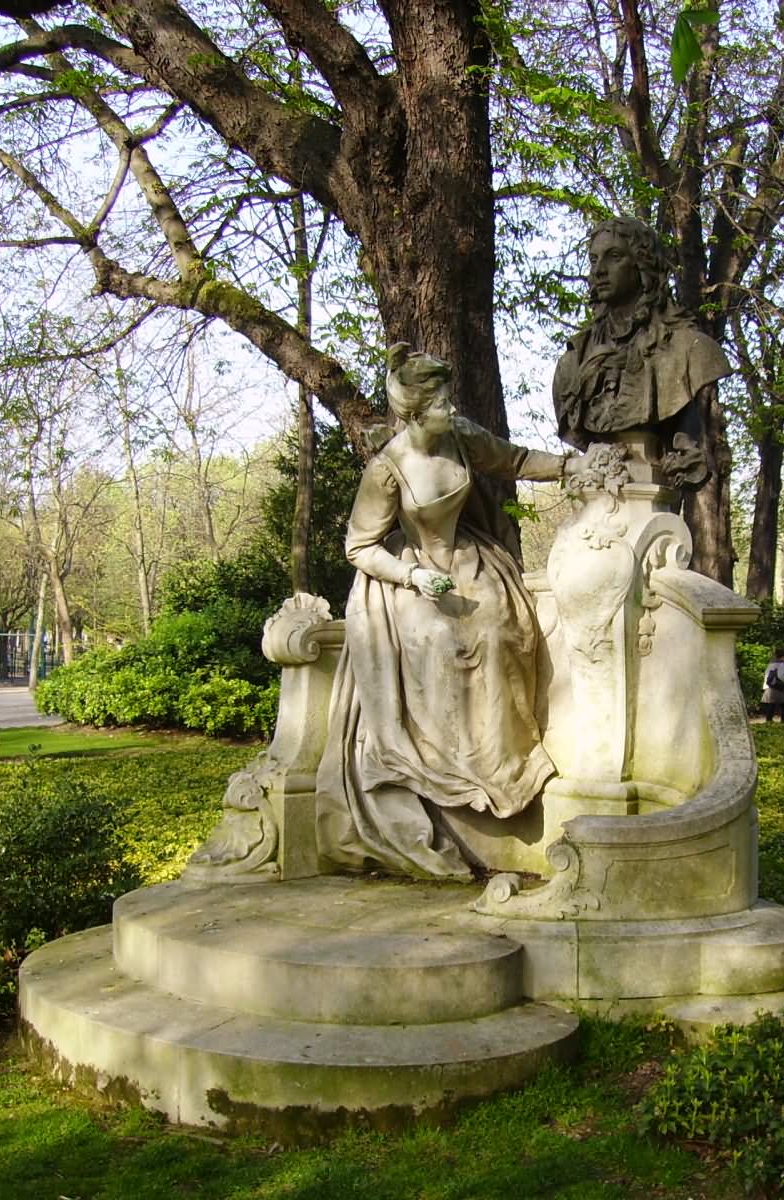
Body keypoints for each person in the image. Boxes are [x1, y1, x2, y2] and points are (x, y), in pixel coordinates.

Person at [314, 344, 583, 880]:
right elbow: (359, 546)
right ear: (414, 410)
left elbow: (517, 461)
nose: (449, 404)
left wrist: (573, 467)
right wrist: (412, 576)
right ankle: (445, 770)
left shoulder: (461, 437)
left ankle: (505, 768)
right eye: (439, 397)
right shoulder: (387, 469)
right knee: (434, 642)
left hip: (467, 559)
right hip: (407, 575)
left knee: (499, 629)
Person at [552, 216, 732, 489]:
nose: (599, 270)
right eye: (593, 259)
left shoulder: (689, 351)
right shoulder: (572, 363)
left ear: (643, 265)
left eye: (614, 257)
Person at [761, 649, 784, 722]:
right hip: (777, 687)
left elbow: (766, 675)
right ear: (783, 657)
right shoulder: (781, 664)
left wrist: (765, 686)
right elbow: (781, 676)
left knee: (772, 705)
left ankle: (769, 721)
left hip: (769, 686)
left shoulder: (771, 663)